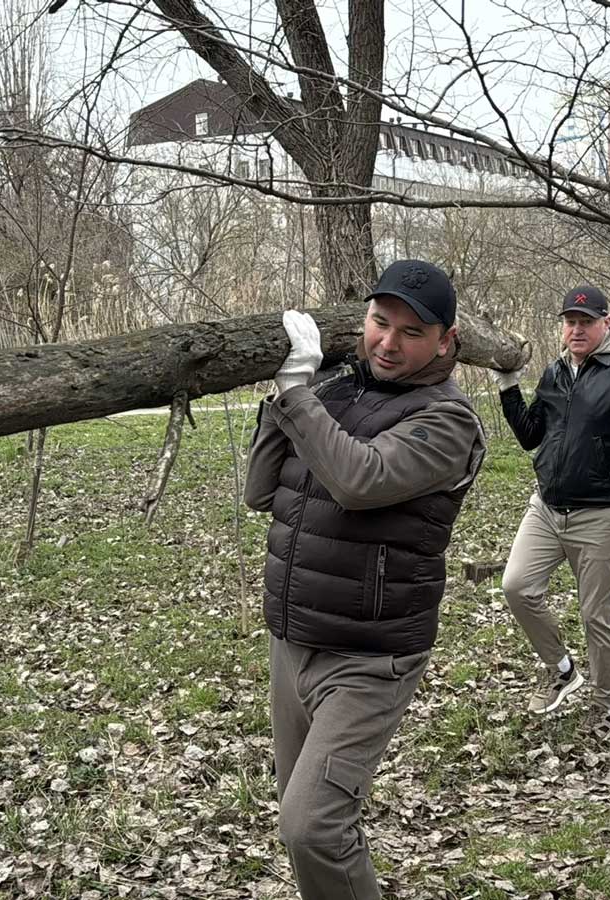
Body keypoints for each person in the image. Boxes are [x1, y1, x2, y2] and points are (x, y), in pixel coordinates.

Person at [244, 259, 485, 900]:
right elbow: (259, 490)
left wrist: (298, 397)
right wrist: (285, 397)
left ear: (446, 341)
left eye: (411, 332)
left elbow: (360, 480)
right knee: (303, 822)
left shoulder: (448, 421)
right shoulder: (337, 390)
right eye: (380, 323)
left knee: (313, 828)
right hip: (292, 640)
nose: (388, 342)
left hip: (370, 656)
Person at [491, 284, 610, 738]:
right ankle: (561, 668)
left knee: (597, 616)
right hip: (547, 508)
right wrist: (509, 388)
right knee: (516, 587)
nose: (576, 329)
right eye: (570, 322)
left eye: (586, 322)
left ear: (605, 323)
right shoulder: (555, 374)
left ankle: (605, 705)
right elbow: (532, 435)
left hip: (600, 516)